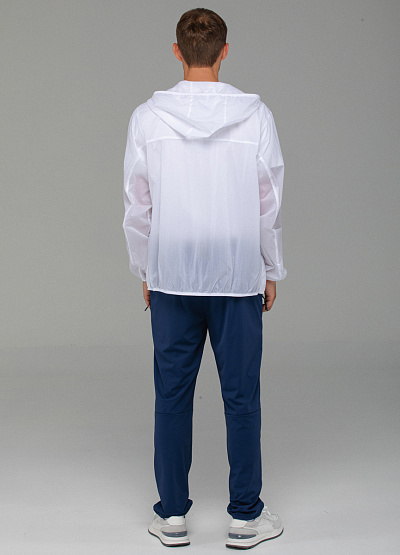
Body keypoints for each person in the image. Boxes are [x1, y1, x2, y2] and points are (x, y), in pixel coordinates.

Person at [122, 7, 287, 550]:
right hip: (236, 271)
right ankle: (245, 517)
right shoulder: (255, 116)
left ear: (177, 51)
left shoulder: (148, 118)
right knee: (241, 396)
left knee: (172, 395)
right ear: (224, 51)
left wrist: (145, 267)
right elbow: (268, 201)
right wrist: (271, 267)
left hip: (172, 271)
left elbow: (137, 205)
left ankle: (171, 515)